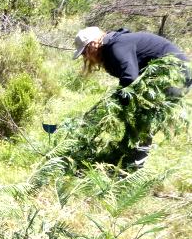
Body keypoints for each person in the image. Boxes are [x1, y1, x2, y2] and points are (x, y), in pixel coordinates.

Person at [73, 26, 190, 167]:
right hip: (167, 74)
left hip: (176, 74)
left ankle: (135, 165)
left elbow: (130, 78)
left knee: (143, 117)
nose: (85, 57)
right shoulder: (113, 47)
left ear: (92, 45)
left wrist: (119, 102)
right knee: (138, 116)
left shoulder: (117, 46)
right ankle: (129, 157)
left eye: (84, 52)